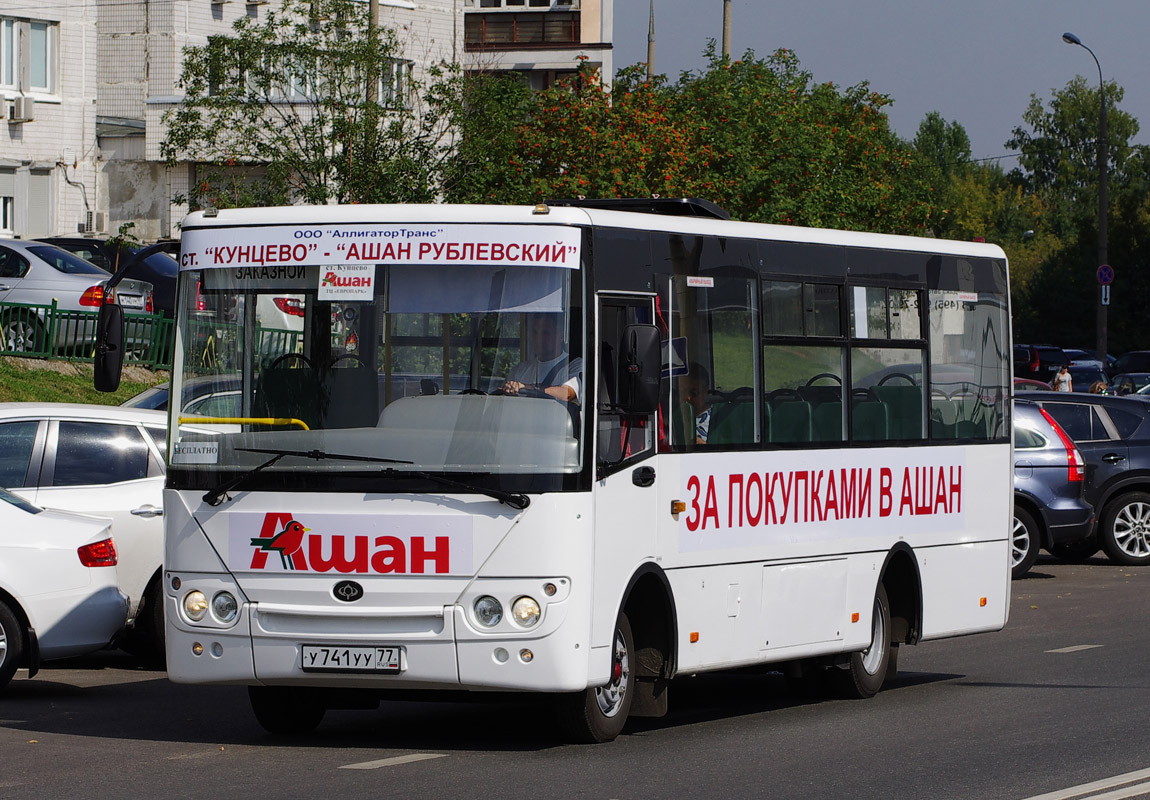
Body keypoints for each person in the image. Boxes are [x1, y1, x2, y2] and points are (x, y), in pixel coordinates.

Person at [501, 313, 582, 402]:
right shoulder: (520, 370)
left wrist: (528, 388)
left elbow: (567, 394)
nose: (539, 338)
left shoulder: (575, 366)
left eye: (545, 333)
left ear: (561, 336)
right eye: (535, 332)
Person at [680, 362, 712, 444]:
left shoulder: (717, 420)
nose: (687, 397)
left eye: (694, 393)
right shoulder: (674, 418)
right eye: (683, 392)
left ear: (705, 390)